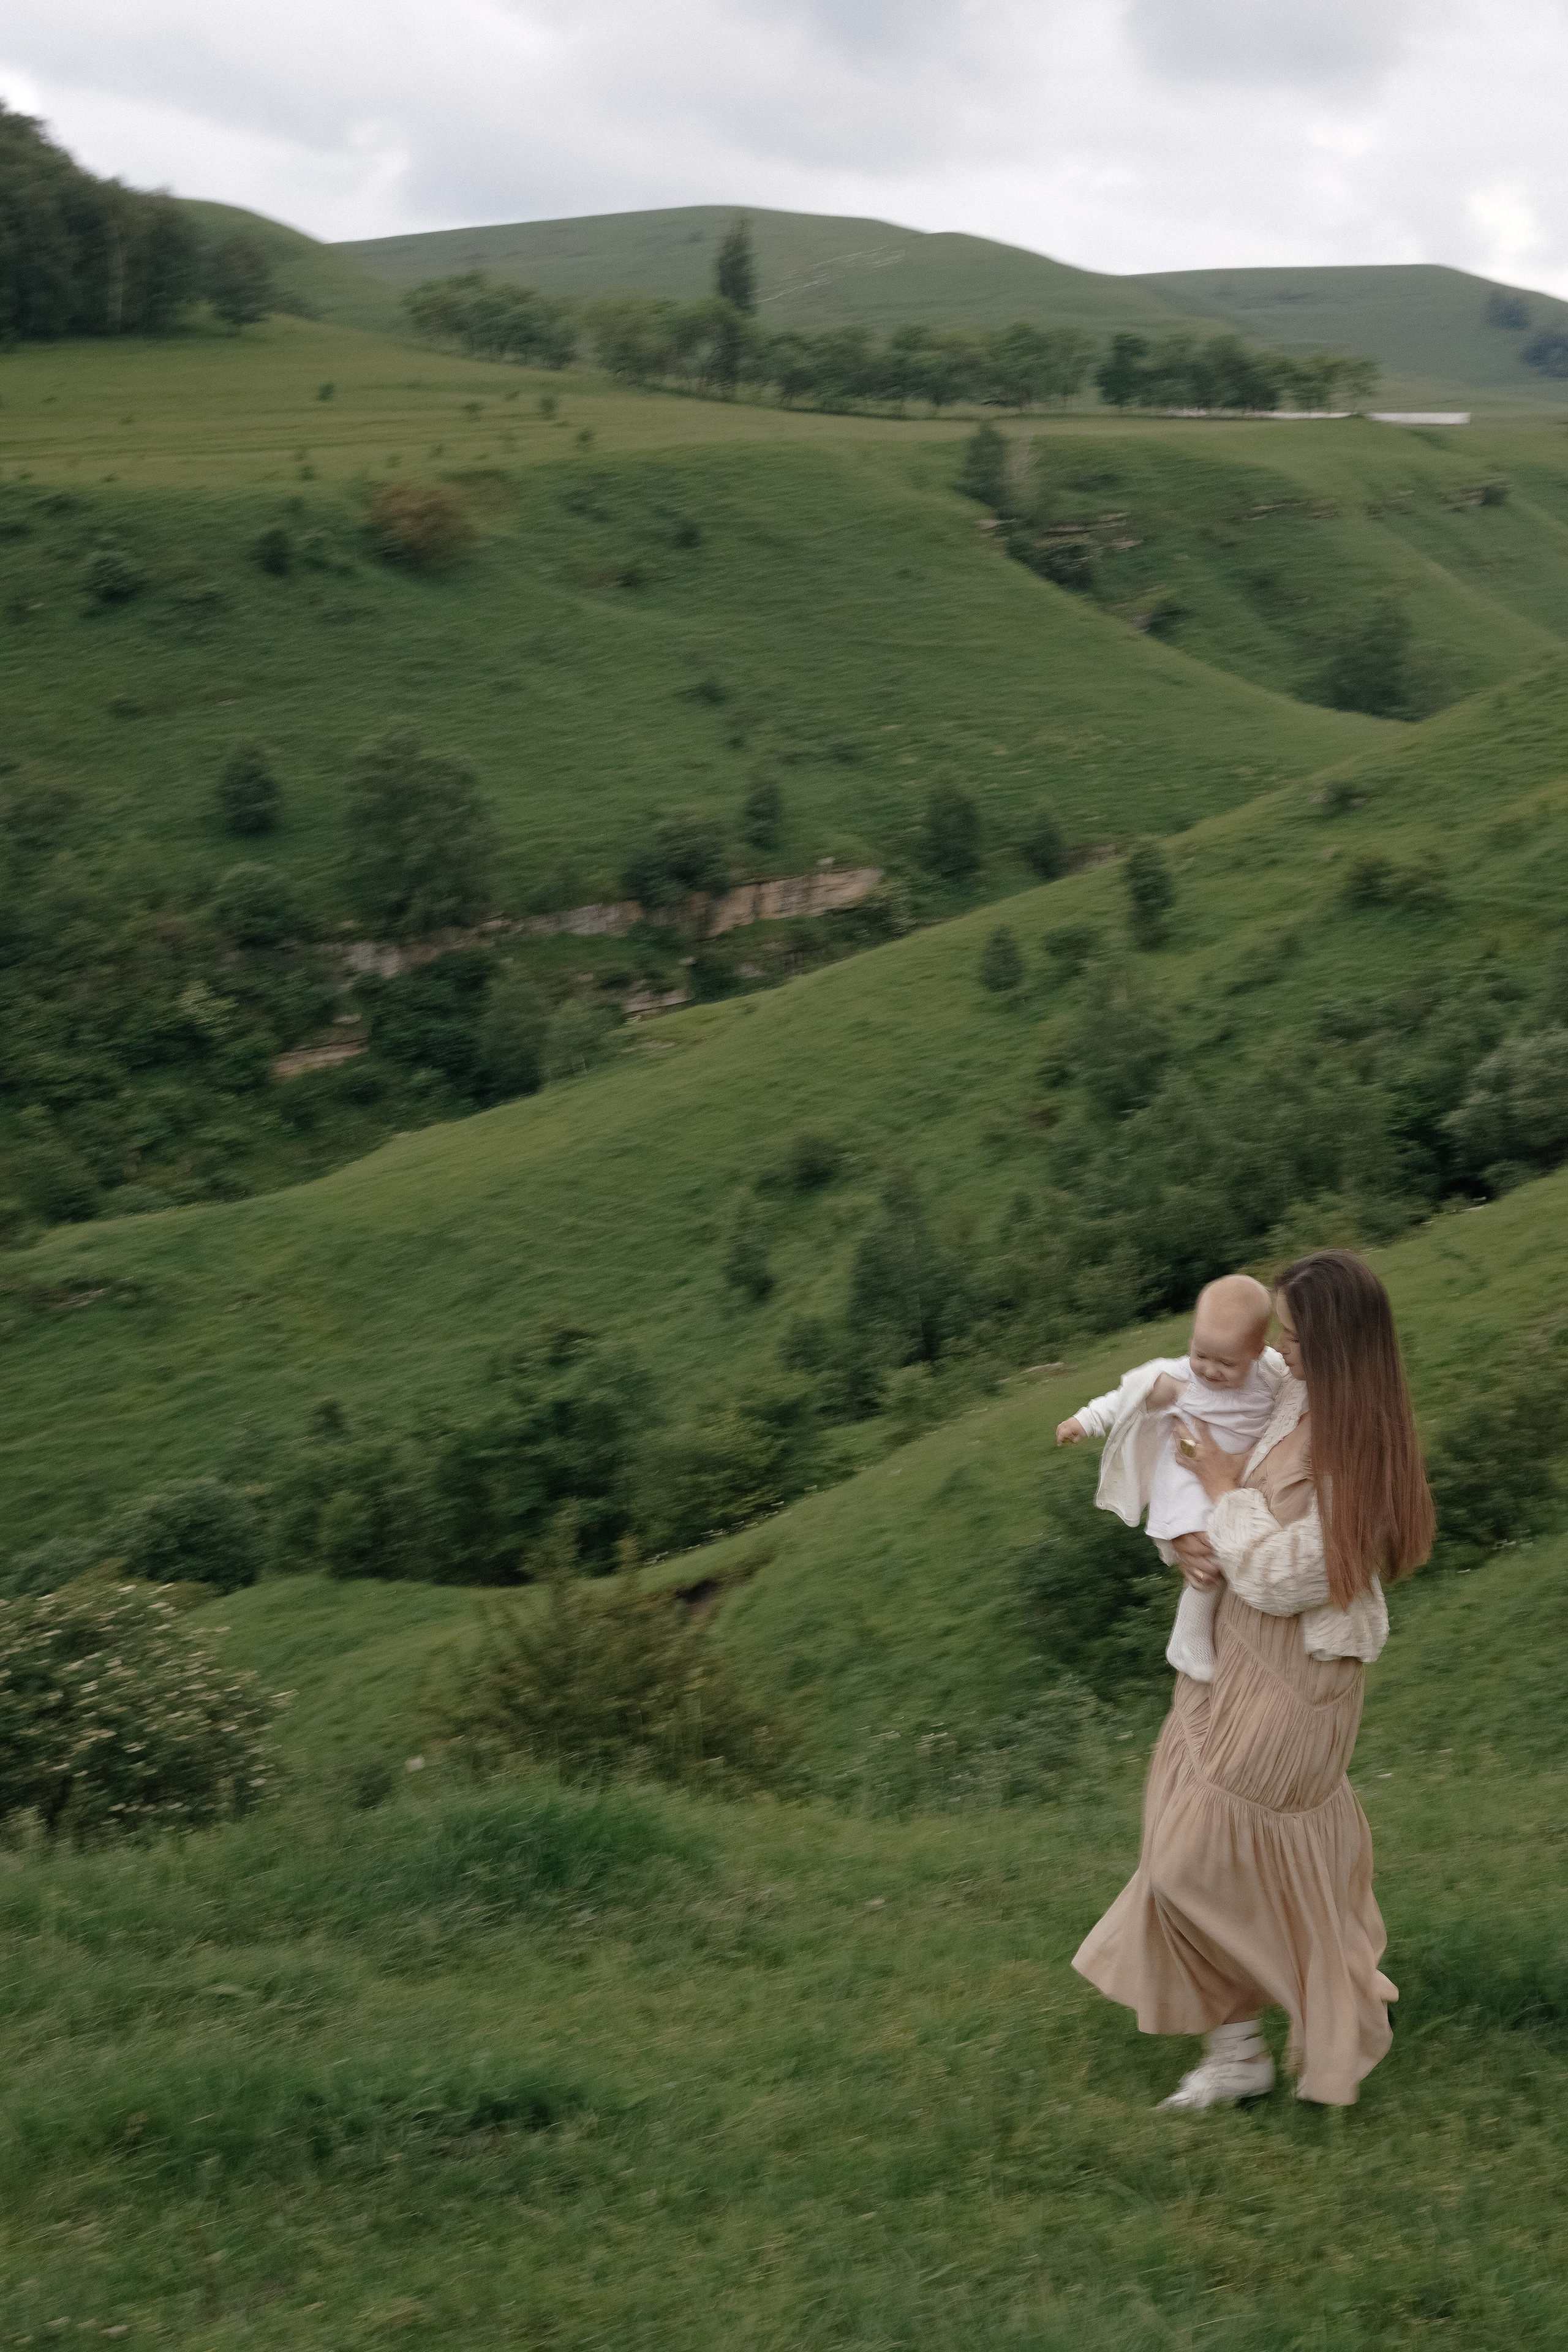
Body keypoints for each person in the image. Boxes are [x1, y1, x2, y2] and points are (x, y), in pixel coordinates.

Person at [1072, 1249, 1434, 2111]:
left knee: (1192, 1859)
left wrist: (1225, 1492)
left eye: (1300, 1336)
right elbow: (1205, 1431)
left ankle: (1329, 2010)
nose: (1285, 1349)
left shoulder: (1359, 1459)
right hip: (1232, 1658)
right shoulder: (1291, 1393)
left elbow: (1281, 1574)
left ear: (1339, 1347)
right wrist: (1182, 1535)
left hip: (1295, 1684)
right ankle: (1236, 2052)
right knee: (1179, 1844)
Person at [1056, 1273, 1283, 1681]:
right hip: (1190, 1483)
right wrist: (1083, 1421)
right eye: (1201, 1354)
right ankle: (1189, 1637)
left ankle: (1212, 1634)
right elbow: (1124, 1398)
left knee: (1239, 1539)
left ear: (1257, 1350)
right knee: (1211, 1550)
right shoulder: (1179, 1381)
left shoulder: (1271, 1374)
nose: (1210, 1371)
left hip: (1235, 1480)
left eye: (1226, 1363)